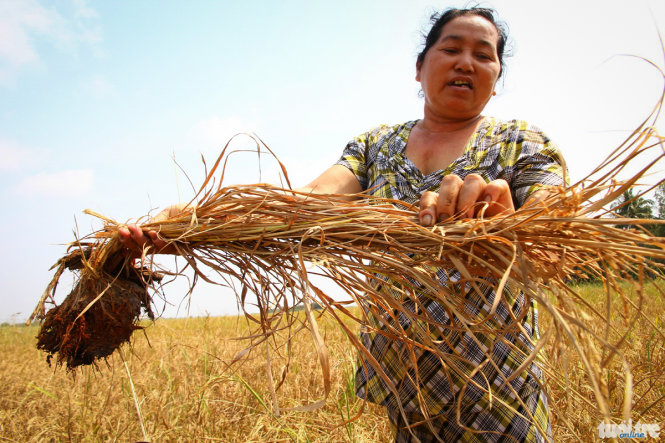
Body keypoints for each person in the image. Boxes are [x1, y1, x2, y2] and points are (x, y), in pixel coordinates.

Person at [121, 7, 566, 442]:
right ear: (419, 67)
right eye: (452, 48)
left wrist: (511, 232)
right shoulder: (376, 146)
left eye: (484, 55)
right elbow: (306, 203)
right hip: (406, 375)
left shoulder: (522, 144)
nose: (467, 62)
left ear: (497, 76)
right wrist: (194, 227)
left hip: (498, 380)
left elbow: (556, 236)